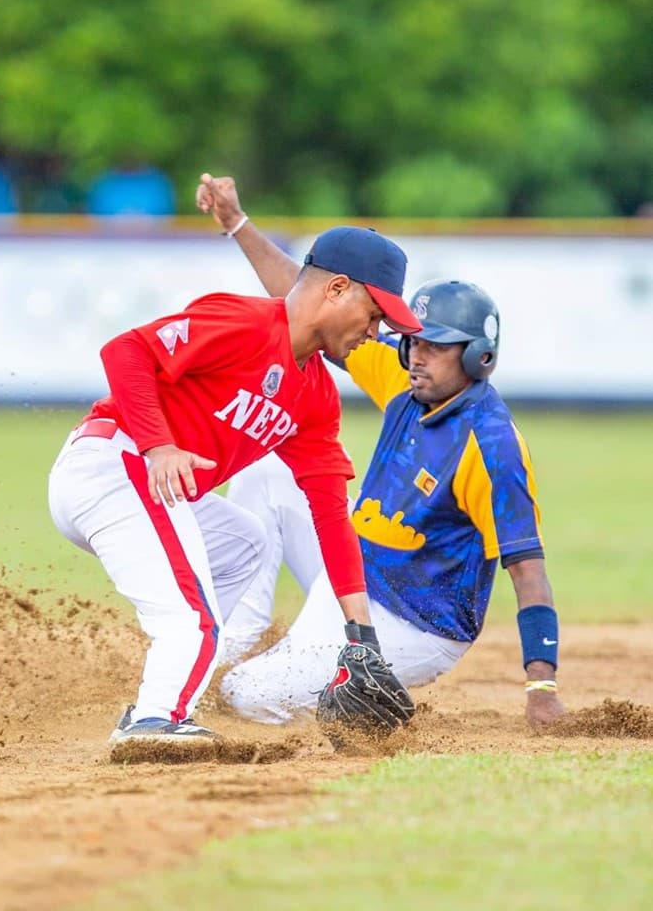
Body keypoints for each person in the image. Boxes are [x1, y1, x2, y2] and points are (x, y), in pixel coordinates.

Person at [48, 172, 421, 750]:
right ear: (337, 289)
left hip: (149, 489)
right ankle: (155, 722)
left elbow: (329, 514)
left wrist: (361, 631)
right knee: (194, 621)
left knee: (244, 542)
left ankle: (172, 685)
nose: (375, 333)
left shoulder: (315, 397)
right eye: (374, 314)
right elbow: (125, 352)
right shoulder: (247, 323)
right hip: (113, 464)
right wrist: (158, 444)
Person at [197, 174, 566, 730]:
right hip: (356, 573)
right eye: (415, 339)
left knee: (245, 695)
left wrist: (542, 687)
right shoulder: (406, 377)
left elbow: (528, 571)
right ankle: (236, 640)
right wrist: (237, 224)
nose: (417, 354)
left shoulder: (490, 448)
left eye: (437, 346)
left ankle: (344, 696)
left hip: (415, 623)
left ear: (478, 358)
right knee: (271, 470)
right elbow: (304, 300)